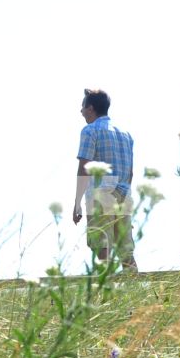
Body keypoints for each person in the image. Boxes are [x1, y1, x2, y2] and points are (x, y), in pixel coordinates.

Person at [72, 88, 138, 272]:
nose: (81, 111)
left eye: (83, 107)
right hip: (124, 193)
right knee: (126, 250)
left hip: (100, 193)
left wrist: (77, 203)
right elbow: (131, 173)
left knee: (102, 246)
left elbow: (84, 167)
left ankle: (104, 295)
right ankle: (134, 291)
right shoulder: (126, 135)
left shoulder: (90, 131)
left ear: (91, 108)